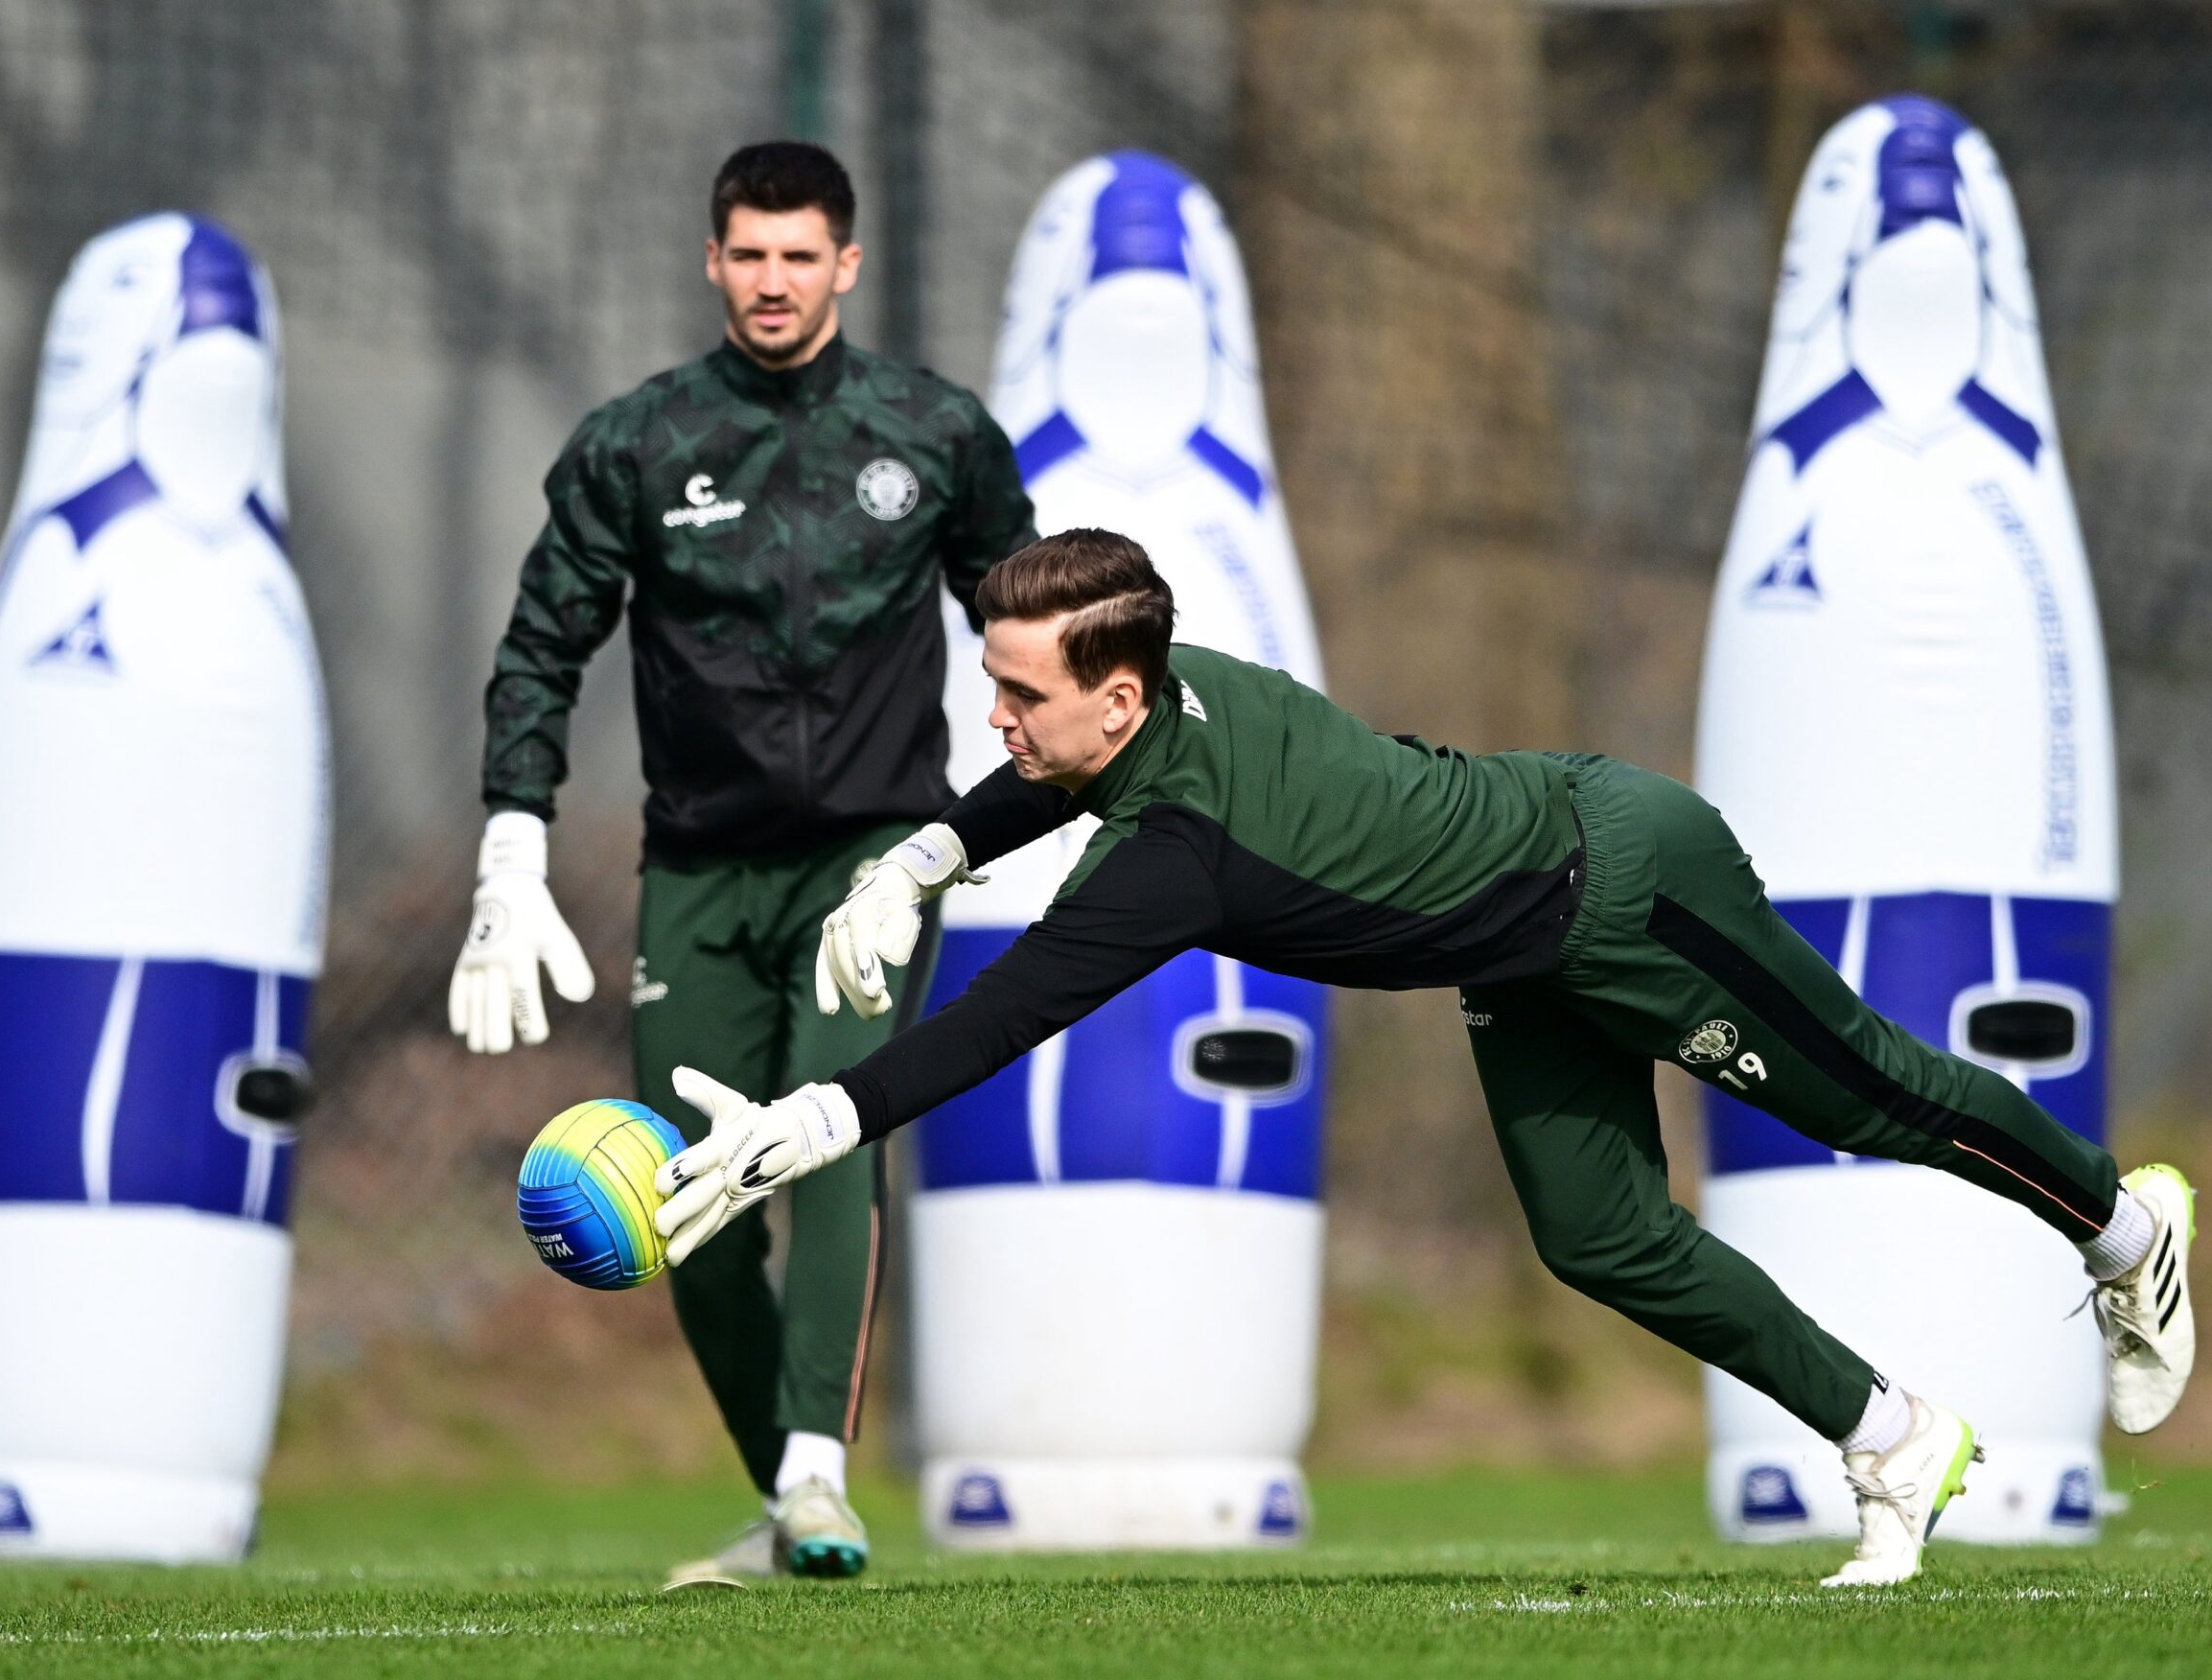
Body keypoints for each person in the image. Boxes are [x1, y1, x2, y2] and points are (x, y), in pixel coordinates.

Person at [653, 526, 2196, 1589]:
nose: (994, 718)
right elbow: (1042, 793)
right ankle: (1898, 1440)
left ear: (1121, 696)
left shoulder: (1174, 849)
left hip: (1627, 884)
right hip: (1518, 946)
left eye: (1020, 695)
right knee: (1600, 1237)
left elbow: (1001, 1021)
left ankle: (2128, 1231)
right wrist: (926, 851)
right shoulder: (1165, 705)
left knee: (1874, 1098)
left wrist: (817, 1117)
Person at [453, 140, 1036, 1583]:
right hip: (700, 873)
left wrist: (1081, 782)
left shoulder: (935, 432)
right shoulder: (637, 445)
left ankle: (823, 1480)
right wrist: (510, 850)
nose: (774, 281)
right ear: (712, 264)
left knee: (829, 1134)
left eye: (800, 255)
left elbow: (1034, 620)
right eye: (749, 255)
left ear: (846, 264)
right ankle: (787, 1496)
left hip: (871, 860)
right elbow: (541, 647)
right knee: (683, 1199)